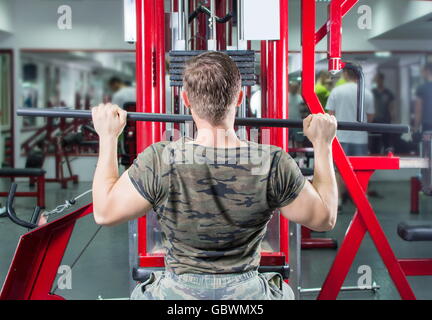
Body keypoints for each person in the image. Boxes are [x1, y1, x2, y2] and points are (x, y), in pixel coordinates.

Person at [91, 52, 338, 300]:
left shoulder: (160, 158)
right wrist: (323, 144)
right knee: (285, 293)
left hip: (176, 295)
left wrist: (108, 137)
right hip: (248, 295)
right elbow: (323, 219)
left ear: (186, 100)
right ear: (240, 98)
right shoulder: (272, 161)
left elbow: (104, 212)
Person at [326, 65, 375, 156]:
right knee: (360, 168)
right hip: (360, 139)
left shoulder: (336, 91)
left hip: (341, 138)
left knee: (338, 169)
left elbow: (331, 116)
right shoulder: (367, 93)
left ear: (346, 74)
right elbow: (370, 117)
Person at [372, 73, 395, 153]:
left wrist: (392, 116)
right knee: (374, 142)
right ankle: (374, 155)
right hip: (374, 121)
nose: (378, 81)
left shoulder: (388, 93)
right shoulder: (372, 92)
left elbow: (391, 107)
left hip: (386, 120)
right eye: (376, 79)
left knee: (386, 142)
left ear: (382, 80)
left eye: (379, 79)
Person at [414, 63, 432, 134]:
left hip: (427, 124)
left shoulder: (421, 88)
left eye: (423, 71)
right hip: (427, 123)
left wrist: (416, 127)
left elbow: (418, 109)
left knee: (427, 144)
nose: (422, 73)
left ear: (427, 71)